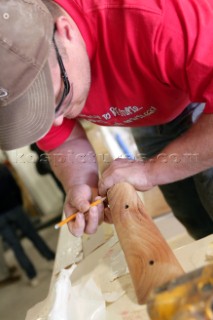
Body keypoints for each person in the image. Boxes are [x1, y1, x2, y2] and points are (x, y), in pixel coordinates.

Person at [0, 0, 213, 240]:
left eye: (59, 99)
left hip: (201, 99)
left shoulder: (159, 19)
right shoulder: (40, 70)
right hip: (154, 109)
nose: (56, 122)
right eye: (41, 115)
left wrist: (151, 171)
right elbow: (63, 138)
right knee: (195, 218)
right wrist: (80, 183)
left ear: (66, 31)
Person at [0, 163, 55, 286]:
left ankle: (32, 276)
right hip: (14, 207)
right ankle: (51, 260)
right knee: (33, 235)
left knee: (15, 246)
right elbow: (15, 186)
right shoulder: (2, 169)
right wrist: (18, 203)